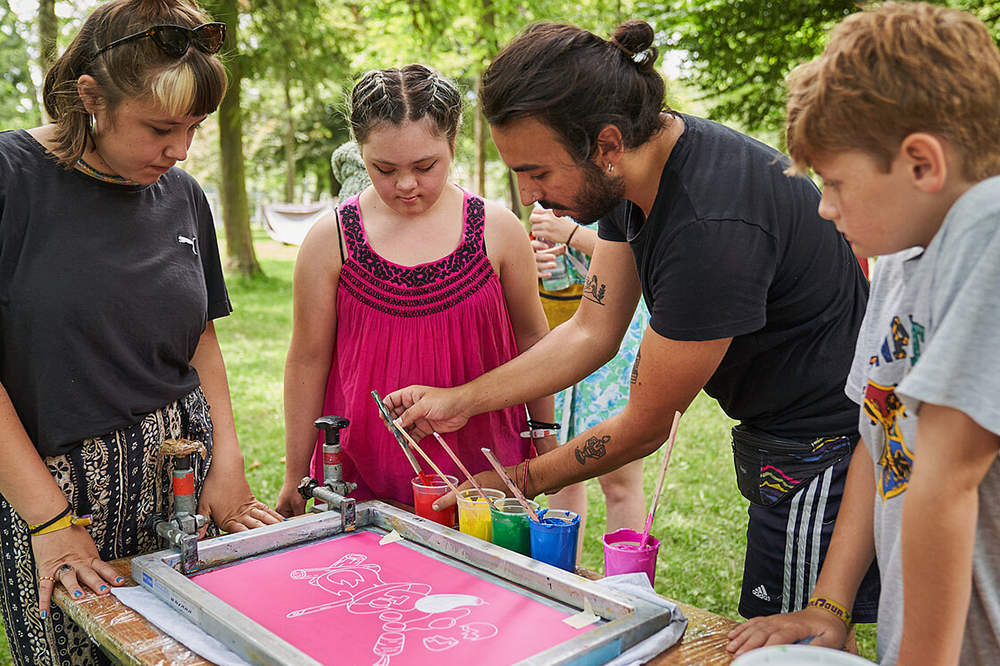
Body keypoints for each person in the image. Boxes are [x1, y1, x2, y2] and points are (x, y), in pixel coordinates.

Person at [386, 20, 878, 622]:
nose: (529, 195)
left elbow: (646, 426)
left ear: (608, 145)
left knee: (799, 642)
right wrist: (463, 399)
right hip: (780, 440)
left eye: (538, 171)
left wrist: (518, 480)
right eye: (518, 172)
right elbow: (590, 331)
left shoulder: (708, 228)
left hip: (821, 450)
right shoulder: (632, 180)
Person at [0, 1, 283, 663]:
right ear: (92, 98)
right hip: (57, 496)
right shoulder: (12, 177)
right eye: (161, 127)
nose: (180, 150)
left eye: (194, 127)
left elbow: (199, 338)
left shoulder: (183, 194)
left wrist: (227, 459)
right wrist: (49, 520)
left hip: (181, 479)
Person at [726, 4, 1000, 664]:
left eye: (836, 181)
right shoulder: (903, 262)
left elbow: (945, 477)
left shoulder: (989, 231)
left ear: (921, 164)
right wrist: (828, 605)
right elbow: (881, 448)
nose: (825, 206)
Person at [276, 65, 553, 517]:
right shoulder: (330, 240)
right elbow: (308, 358)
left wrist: (543, 433)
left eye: (426, 166)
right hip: (363, 472)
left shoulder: (499, 230)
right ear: (359, 152)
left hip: (484, 470)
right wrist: (295, 476)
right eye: (383, 169)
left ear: (453, 143)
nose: (406, 185)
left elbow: (534, 341)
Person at [531, 207, 649, 537]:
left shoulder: (623, 183)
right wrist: (538, 261)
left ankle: (624, 588)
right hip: (565, 342)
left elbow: (643, 252)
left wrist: (569, 234)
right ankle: (558, 583)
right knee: (560, 476)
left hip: (618, 350)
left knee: (619, 482)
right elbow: (555, 273)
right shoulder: (550, 192)